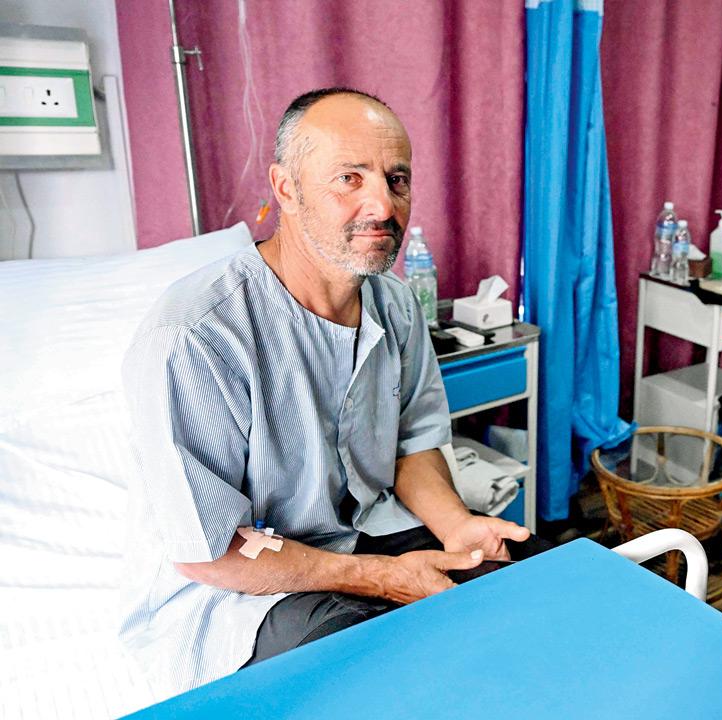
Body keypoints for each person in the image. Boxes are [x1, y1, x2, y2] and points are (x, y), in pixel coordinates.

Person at [119, 87, 532, 698]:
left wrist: (456, 526)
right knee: (367, 667)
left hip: (367, 530)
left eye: (397, 180)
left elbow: (413, 445)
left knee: (517, 588)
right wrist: (382, 579)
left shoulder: (393, 303)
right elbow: (210, 551)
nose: (383, 206)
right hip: (244, 584)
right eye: (349, 178)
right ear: (286, 189)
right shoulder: (196, 336)